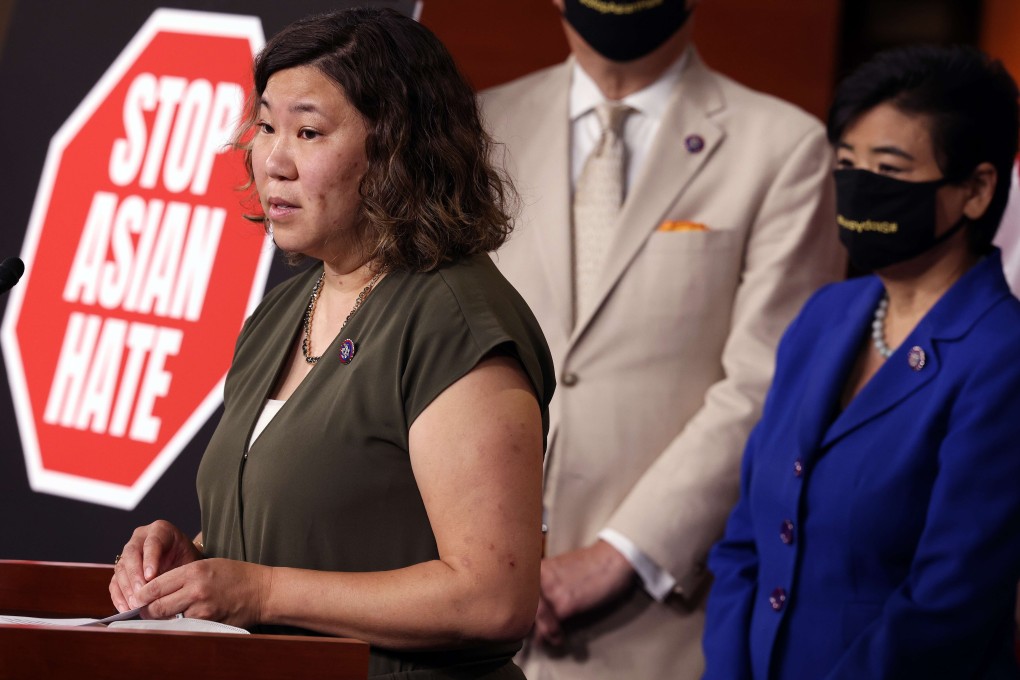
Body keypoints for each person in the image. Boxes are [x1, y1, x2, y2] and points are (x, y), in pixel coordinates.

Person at [109, 8, 556, 679]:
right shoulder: (283, 311)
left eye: (308, 131)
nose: (273, 161)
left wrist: (258, 590)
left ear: (399, 150)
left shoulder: (452, 322)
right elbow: (317, 528)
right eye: (265, 127)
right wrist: (197, 560)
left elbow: (493, 597)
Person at [479, 0, 844, 677]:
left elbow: (768, 382)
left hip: (650, 617)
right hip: (464, 611)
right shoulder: (476, 125)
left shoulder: (784, 147)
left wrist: (619, 554)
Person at [703, 45, 1020, 679]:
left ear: (977, 190)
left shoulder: (1002, 355)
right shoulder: (827, 314)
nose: (858, 186)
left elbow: (948, 604)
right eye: (846, 163)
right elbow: (747, 537)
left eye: (889, 167)